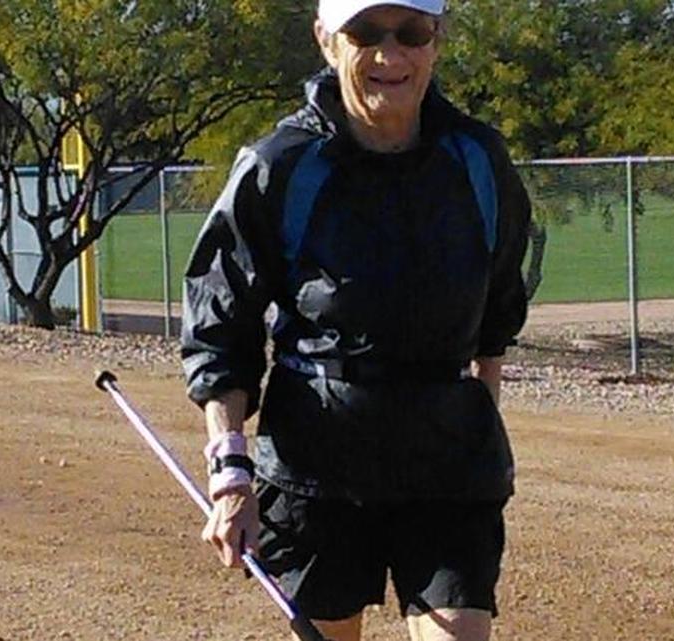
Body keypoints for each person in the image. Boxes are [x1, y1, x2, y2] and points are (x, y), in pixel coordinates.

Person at [180, 1, 531, 639]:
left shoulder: (479, 161)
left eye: (411, 33)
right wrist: (230, 470)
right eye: (365, 34)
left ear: (437, 39)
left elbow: (498, 309)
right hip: (317, 465)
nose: (390, 56)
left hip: (447, 461)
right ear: (326, 40)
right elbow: (220, 326)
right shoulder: (279, 167)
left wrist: (481, 420)